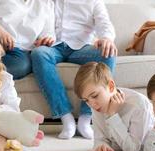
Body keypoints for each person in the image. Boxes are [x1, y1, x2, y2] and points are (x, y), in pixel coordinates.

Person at [31, 0, 117, 139]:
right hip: (54, 47)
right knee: (38, 53)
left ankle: (86, 118)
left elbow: (104, 23)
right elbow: (37, 20)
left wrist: (107, 38)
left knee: (109, 53)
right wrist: (41, 38)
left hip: (82, 47)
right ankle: (66, 117)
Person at [74, 62, 155, 151]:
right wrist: (102, 146)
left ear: (111, 87)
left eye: (95, 96)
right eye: (86, 100)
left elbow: (132, 150)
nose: (91, 104)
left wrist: (112, 115)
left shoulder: (138, 104)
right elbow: (100, 138)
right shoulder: (97, 105)